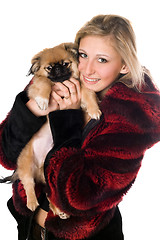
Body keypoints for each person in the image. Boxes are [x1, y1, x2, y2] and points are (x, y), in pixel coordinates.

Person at [0, 14, 160, 240]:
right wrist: (32, 111)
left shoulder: (131, 120)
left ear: (124, 65)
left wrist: (67, 119)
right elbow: (6, 156)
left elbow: (79, 197)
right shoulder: (58, 81)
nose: (87, 69)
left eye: (102, 60)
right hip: (30, 229)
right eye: (83, 55)